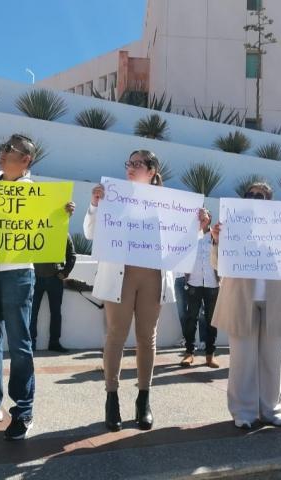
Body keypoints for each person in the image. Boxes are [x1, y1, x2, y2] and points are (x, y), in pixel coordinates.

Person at [0, 134, 75, 440]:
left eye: (10, 149)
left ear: (26, 160)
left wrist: (61, 215)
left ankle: (23, 410)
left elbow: (49, 235)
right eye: (3, 146)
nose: (2, 151)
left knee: (21, 344)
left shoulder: (36, 195)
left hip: (17, 275)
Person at [83, 150, 178, 432]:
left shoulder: (168, 203)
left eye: (137, 164)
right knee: (116, 335)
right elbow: (90, 233)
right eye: (129, 163)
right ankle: (111, 398)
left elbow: (181, 238)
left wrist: (199, 225)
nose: (131, 168)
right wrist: (94, 205)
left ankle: (143, 399)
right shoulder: (112, 196)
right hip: (119, 275)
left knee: (147, 337)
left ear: (151, 171)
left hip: (152, 276)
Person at [210, 182, 281, 429]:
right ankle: (243, 412)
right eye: (251, 194)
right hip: (241, 298)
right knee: (242, 359)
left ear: (270, 201)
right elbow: (217, 264)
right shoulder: (232, 225)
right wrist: (217, 239)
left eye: (262, 195)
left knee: (272, 358)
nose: (256, 198)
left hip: (274, 298)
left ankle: (271, 409)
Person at [181, 209, 220, 368]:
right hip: (194, 283)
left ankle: (210, 355)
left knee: (212, 320)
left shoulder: (216, 236)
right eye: (200, 215)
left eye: (206, 215)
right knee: (191, 319)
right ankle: (189, 353)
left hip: (212, 283)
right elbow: (182, 249)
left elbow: (224, 254)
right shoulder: (191, 236)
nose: (203, 217)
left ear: (210, 218)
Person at [30, 233, 76, 352]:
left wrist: (65, 272)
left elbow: (71, 255)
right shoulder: (34, 228)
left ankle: (54, 342)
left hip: (55, 278)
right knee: (32, 312)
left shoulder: (62, 232)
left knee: (55, 312)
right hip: (35, 277)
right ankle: (30, 343)